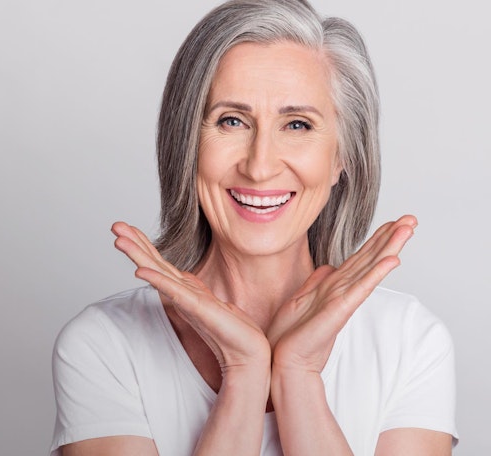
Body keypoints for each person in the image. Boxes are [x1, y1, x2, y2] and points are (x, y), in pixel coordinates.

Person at [49, 1, 458, 455]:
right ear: (186, 144)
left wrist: (298, 374)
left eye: (297, 124)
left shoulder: (410, 340)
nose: (260, 166)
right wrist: (243, 371)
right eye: (232, 121)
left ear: (342, 157)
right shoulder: (105, 344)